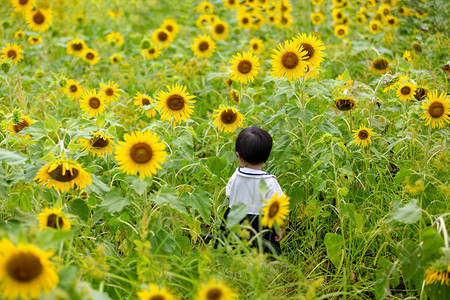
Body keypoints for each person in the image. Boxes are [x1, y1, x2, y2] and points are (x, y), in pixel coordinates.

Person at [220, 127, 284, 255]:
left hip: (234, 219)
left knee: (231, 252)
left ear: (238, 155)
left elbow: (229, 196)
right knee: (265, 254)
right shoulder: (269, 182)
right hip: (259, 225)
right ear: (268, 156)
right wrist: (280, 228)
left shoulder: (236, 176)